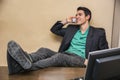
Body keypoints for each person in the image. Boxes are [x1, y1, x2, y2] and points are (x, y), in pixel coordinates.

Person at [7, 6, 109, 75]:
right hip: (66, 55)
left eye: (80, 14)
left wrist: (90, 62)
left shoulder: (98, 33)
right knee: (44, 50)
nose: (77, 16)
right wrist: (66, 21)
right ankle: (27, 58)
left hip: (81, 60)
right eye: (76, 14)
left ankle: (26, 68)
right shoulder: (71, 29)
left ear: (87, 17)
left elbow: (105, 52)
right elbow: (54, 30)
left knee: (59, 57)